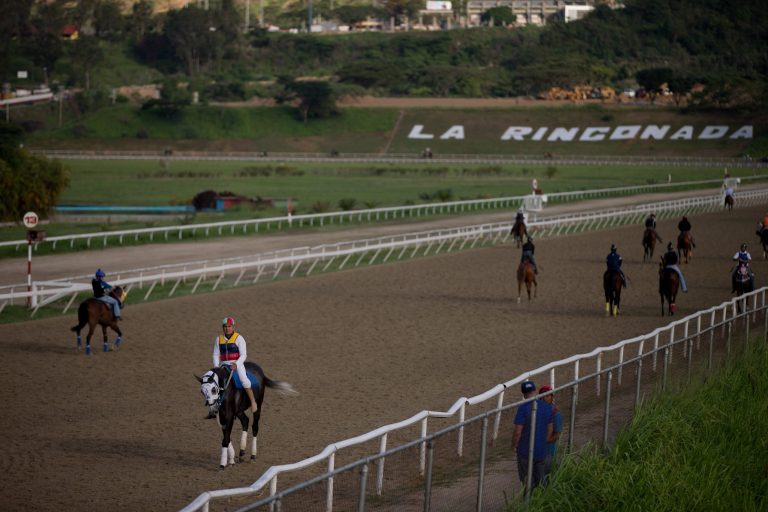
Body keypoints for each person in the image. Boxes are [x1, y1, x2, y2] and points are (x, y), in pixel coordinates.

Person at [512, 380, 553, 491]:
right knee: (541, 481)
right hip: (541, 450)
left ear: (524, 394)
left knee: (527, 481)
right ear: (535, 391)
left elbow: (517, 432)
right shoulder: (546, 407)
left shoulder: (523, 408)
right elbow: (550, 428)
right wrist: (544, 441)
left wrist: (514, 445)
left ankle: (529, 502)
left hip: (525, 451)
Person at [213, 317, 258, 413]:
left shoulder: (239, 338)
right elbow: (216, 354)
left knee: (244, 380)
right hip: (224, 364)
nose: (227, 328)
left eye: (229, 326)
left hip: (237, 363)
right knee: (213, 382)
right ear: (223, 327)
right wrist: (216, 366)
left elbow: (243, 355)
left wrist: (236, 364)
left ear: (233, 327)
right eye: (225, 326)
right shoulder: (218, 339)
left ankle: (253, 401)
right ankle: (214, 405)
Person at [538, 385, 562, 483]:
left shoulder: (555, 413)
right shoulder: (537, 411)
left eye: (548, 396)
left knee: (547, 477)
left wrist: (547, 440)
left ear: (552, 397)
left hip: (549, 451)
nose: (545, 398)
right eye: (544, 396)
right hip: (537, 450)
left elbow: (557, 434)